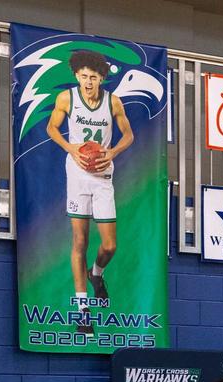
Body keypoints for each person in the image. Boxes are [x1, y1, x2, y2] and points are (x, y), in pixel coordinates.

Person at [46, 50, 134, 333]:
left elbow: (129, 134)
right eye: (83, 76)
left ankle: (97, 274)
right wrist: (71, 148)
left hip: (103, 175)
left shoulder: (113, 102)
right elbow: (52, 127)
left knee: (109, 245)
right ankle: (83, 310)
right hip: (78, 175)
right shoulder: (67, 98)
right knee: (79, 241)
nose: (87, 81)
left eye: (93, 77)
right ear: (76, 76)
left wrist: (113, 152)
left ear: (101, 78)